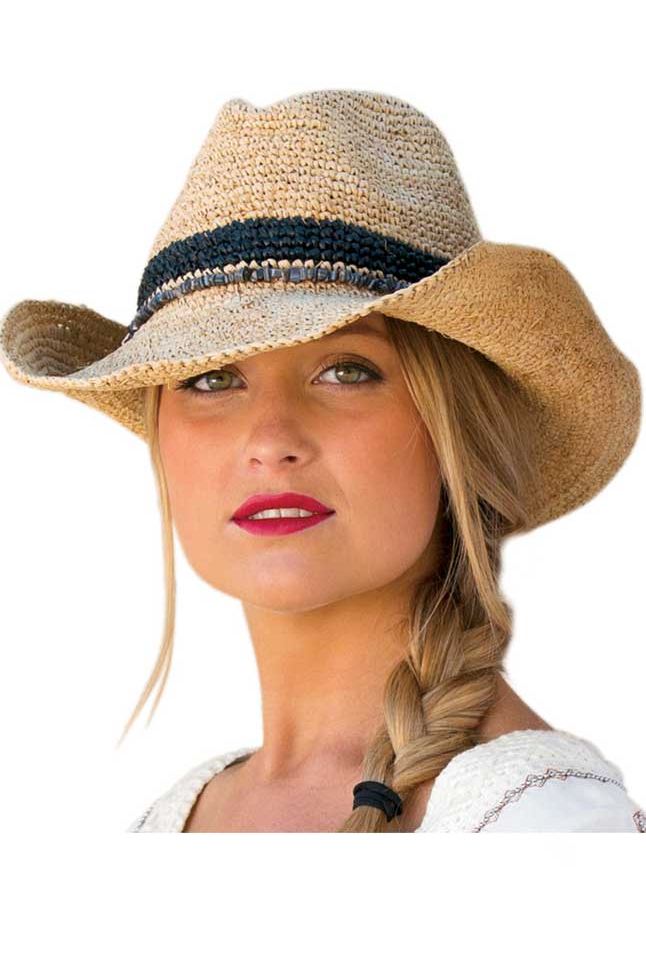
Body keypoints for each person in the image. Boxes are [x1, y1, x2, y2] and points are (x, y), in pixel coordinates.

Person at [1, 88, 643, 832]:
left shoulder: (546, 827)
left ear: (455, 433)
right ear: (160, 434)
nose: (271, 439)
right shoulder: (173, 820)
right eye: (211, 379)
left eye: (346, 371)